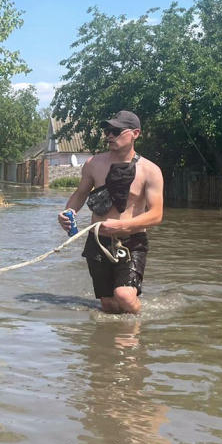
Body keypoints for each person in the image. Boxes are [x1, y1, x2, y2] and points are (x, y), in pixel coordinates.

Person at [57, 111, 164, 314]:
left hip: (132, 242)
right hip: (97, 241)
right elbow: (80, 194)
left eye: (116, 131)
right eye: (107, 131)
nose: (109, 136)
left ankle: (137, 332)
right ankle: (110, 342)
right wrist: (68, 212)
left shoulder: (150, 170)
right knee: (108, 304)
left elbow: (156, 214)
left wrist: (122, 225)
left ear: (135, 133)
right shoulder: (93, 164)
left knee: (124, 296)